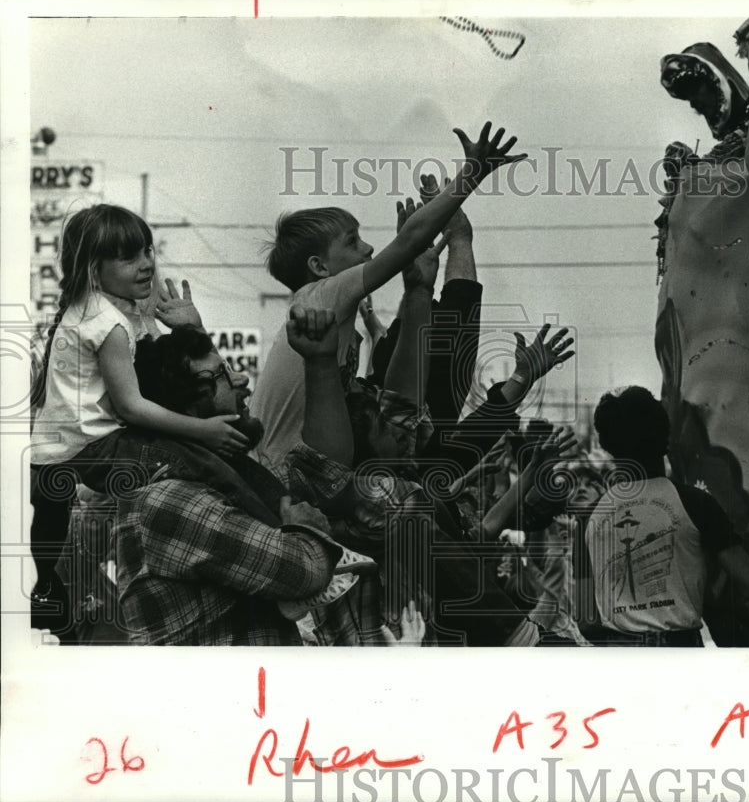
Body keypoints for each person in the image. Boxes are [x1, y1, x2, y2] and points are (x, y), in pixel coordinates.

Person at [28, 204, 248, 638]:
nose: (147, 262)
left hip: (56, 454)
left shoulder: (84, 310)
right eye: (130, 257)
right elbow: (131, 406)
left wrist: (159, 322)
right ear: (95, 270)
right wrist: (204, 429)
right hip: (93, 447)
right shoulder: (110, 324)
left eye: (147, 250)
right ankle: (273, 537)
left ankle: (50, 596)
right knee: (205, 466)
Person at [252, 121, 526, 464]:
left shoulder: (335, 329)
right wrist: (472, 174)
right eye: (352, 242)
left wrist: (419, 290)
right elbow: (407, 241)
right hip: (281, 474)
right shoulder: (319, 296)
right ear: (319, 267)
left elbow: (399, 404)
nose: (368, 249)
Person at [112, 307, 373, 645]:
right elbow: (304, 570)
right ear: (188, 409)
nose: (242, 381)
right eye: (223, 374)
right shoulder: (167, 499)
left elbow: (330, 472)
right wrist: (307, 529)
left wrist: (320, 361)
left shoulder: (226, 477)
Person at [582, 386, 749, 646]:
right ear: (665, 441)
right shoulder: (696, 504)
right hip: (680, 652)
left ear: (609, 446)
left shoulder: (591, 518)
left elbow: (587, 624)